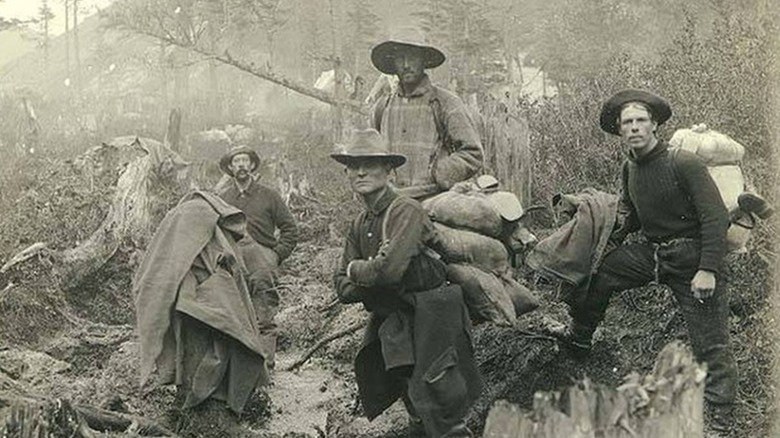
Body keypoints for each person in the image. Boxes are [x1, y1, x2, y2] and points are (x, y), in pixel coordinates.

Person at [553, 89, 738, 432]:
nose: (634, 127)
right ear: (619, 130)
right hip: (654, 255)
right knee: (600, 271)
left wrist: (708, 270)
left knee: (710, 343)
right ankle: (579, 336)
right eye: (627, 123)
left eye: (641, 120)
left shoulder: (683, 162)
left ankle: (722, 418)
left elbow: (715, 218)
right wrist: (594, 233)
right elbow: (633, 217)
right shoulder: (630, 167)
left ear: (654, 125)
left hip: (692, 259)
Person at [332, 129, 482, 438]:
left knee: (442, 405)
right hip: (395, 318)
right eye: (353, 165)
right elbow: (341, 287)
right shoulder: (360, 222)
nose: (360, 172)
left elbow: (387, 273)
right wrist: (372, 273)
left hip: (433, 316)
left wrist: (357, 269)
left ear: (389, 169)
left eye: (370, 164)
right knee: (412, 402)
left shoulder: (406, 210)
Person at [370, 28, 484, 199]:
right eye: (400, 58)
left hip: (433, 199)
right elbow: (372, 155)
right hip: (392, 201)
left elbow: (473, 153)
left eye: (412, 57)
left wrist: (440, 173)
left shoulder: (445, 102)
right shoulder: (382, 107)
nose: (406, 65)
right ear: (393, 63)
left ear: (423, 60)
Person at [218, 145, 299, 368]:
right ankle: (241, 369)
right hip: (233, 262)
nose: (241, 165)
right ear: (231, 167)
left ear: (252, 165)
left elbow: (290, 229)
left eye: (245, 160)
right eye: (237, 162)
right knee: (235, 314)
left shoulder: (269, 195)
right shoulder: (223, 199)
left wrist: (275, 256)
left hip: (262, 261)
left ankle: (265, 367)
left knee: (264, 314)